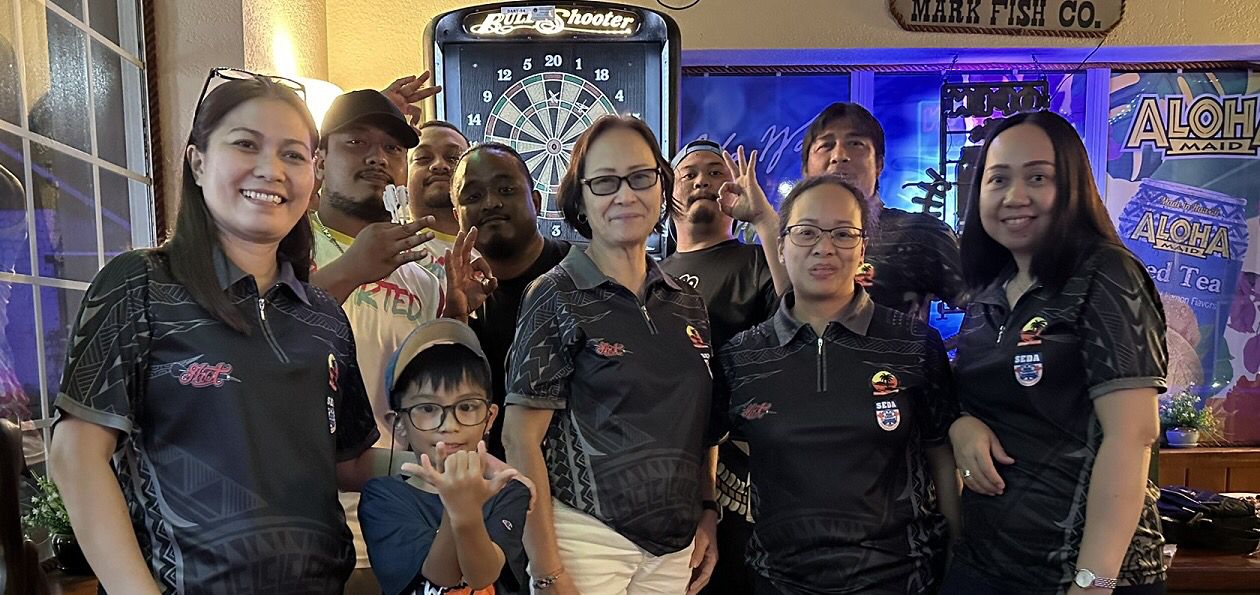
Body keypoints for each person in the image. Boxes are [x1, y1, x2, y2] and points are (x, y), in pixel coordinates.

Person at [48, 71, 381, 594]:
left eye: (293, 155)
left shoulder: (323, 316)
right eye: (247, 144)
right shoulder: (139, 285)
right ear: (198, 160)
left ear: (313, 176)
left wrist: (451, 460)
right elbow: (75, 453)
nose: (271, 169)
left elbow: (347, 462)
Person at [942, 111, 1167, 595]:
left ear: (1071, 187)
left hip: (1083, 573)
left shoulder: (1106, 274)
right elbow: (975, 397)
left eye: (1038, 177)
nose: (1014, 196)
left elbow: (1133, 436)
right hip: (987, 563)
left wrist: (1093, 582)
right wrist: (960, 424)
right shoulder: (989, 290)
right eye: (997, 179)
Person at [503, 115, 719, 595]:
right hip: (586, 537)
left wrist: (708, 509)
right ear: (580, 198)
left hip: (675, 546)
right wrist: (546, 568)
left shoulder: (687, 301)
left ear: (661, 187)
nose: (626, 195)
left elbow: (699, 424)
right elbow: (519, 440)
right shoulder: (555, 293)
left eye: (641, 177)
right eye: (604, 182)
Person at [715, 174, 961, 594]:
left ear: (863, 246)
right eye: (806, 232)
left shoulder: (914, 344)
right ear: (780, 245)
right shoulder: (742, 356)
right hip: (780, 581)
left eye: (844, 233)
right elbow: (712, 446)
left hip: (899, 579)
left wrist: (958, 552)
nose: (824, 247)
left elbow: (942, 458)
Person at [661, 139, 788, 595]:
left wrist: (766, 220)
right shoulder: (649, 274)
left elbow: (801, 316)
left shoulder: (758, 261)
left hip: (751, 471)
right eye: (688, 172)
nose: (702, 180)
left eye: (715, 172)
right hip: (673, 470)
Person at [360, 318, 532, 595]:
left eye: (466, 406)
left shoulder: (508, 490)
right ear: (399, 423)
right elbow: (440, 574)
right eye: (428, 408)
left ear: (489, 418)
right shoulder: (383, 495)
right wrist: (459, 507)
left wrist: (464, 509)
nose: (448, 424)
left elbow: (482, 575)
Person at [447, 142, 570, 459]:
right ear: (456, 216)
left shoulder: (583, 272)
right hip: (493, 482)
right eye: (472, 197)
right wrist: (456, 317)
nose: (490, 203)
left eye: (506, 189)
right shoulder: (452, 296)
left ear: (537, 201)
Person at [801, 102, 965, 319]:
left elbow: (987, 307)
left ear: (879, 164)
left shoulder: (920, 233)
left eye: (856, 143)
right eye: (826, 145)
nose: (839, 155)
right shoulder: (791, 242)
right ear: (805, 169)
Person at [407, 120, 472, 285]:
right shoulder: (383, 245)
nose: (439, 165)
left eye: (453, 158)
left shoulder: (493, 247)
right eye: (423, 158)